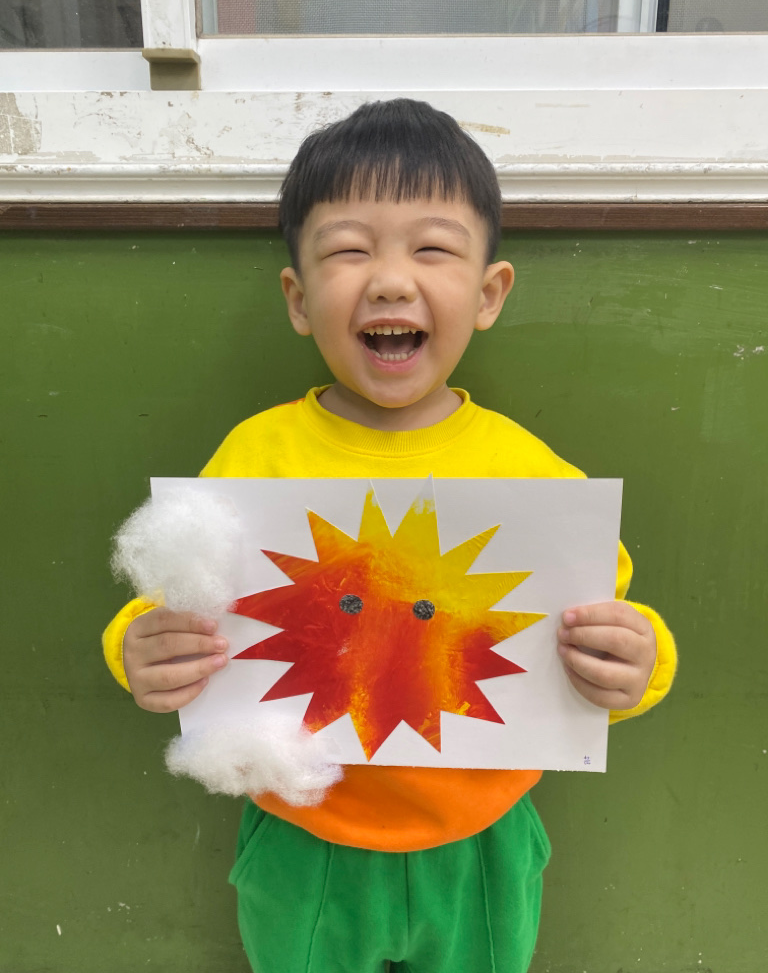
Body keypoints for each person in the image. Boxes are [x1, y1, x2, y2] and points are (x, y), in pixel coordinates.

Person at [103, 98, 677, 973]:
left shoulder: (532, 474)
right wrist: (137, 647)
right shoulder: (255, 457)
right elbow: (176, 608)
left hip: (481, 845)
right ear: (299, 299)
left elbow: (605, 619)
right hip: (304, 837)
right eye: (349, 250)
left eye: (433, 248)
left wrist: (641, 663)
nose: (390, 281)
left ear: (489, 294)